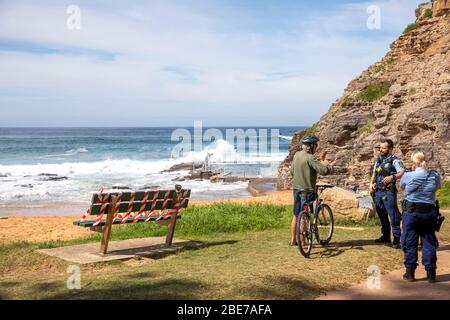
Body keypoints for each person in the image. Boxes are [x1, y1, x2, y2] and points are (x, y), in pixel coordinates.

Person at [400, 151, 441, 282]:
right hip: (429, 212)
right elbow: (437, 187)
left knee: (410, 241)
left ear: (413, 162)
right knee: (428, 241)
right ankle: (431, 274)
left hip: (411, 212)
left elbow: (402, 187)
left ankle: (410, 273)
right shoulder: (434, 175)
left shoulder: (408, 175)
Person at [289, 135, 336, 246]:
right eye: (316, 145)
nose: (317, 147)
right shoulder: (310, 157)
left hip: (296, 189)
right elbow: (323, 170)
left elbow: (292, 171)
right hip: (308, 190)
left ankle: (293, 240)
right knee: (305, 215)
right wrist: (330, 166)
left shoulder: (296, 155)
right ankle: (303, 242)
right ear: (311, 146)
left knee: (296, 214)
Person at [370, 138, 405, 248]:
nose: (380, 150)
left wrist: (392, 177)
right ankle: (385, 236)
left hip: (388, 192)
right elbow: (374, 174)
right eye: (380, 148)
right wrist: (370, 184)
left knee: (393, 215)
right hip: (377, 191)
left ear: (390, 149)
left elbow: (402, 171)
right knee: (381, 214)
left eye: (383, 148)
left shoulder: (395, 160)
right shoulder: (378, 160)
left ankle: (396, 238)